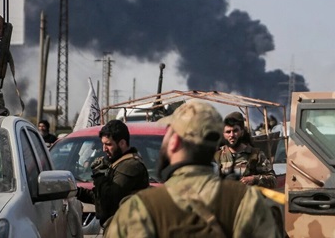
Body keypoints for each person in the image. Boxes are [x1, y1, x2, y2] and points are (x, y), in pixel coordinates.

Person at [105, 100, 282, 238]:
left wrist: (254, 179)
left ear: (174, 142)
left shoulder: (138, 210)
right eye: (228, 132)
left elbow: (271, 178)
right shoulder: (249, 204)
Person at [77, 119, 150, 230]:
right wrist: (78, 192)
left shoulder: (131, 166)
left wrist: (99, 176)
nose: (104, 149)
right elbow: (100, 197)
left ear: (122, 143)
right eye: (103, 144)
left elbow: (109, 200)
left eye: (108, 144)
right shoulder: (117, 163)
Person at [215, 112, 277, 188]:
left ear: (242, 132)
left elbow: (273, 180)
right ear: (223, 134)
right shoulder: (217, 156)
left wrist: (254, 179)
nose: (232, 135)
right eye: (228, 132)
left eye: (235, 131)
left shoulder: (256, 155)